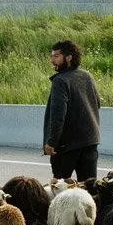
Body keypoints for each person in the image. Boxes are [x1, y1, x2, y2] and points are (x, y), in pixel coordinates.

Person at [42, 39, 101, 182]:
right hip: (90, 141)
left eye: (56, 56)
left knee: (60, 187)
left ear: (68, 58)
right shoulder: (86, 76)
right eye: (52, 56)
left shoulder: (60, 81)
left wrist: (51, 142)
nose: (52, 60)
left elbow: (58, 115)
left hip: (66, 145)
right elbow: (97, 103)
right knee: (89, 187)